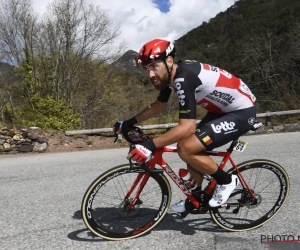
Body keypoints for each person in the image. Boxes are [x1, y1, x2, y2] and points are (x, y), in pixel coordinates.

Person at [113, 39, 257, 213]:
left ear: (169, 61)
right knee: (191, 148)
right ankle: (197, 197)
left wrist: (150, 145)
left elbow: (187, 127)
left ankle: (226, 181)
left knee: (186, 147)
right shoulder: (171, 76)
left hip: (242, 112)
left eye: (154, 66)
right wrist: (128, 123)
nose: (150, 74)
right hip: (221, 111)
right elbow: (158, 106)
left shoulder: (183, 78)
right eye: (147, 69)